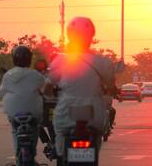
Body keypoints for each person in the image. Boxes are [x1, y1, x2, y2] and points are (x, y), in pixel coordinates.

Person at [45, 16, 116, 159]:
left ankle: (60, 154)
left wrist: (48, 94)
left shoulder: (60, 60)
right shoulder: (103, 63)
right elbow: (110, 85)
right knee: (96, 135)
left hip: (66, 112)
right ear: (91, 38)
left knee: (60, 136)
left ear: (70, 37)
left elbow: (48, 84)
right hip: (94, 113)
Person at [0, 45, 46, 165]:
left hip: (14, 114)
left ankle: (18, 155)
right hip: (33, 113)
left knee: (14, 130)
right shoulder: (35, 75)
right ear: (29, 59)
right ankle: (32, 154)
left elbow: (0, 92)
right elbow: (44, 89)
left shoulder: (8, 75)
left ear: (14, 59)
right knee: (35, 128)